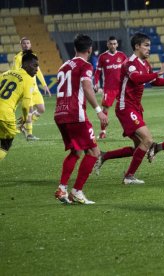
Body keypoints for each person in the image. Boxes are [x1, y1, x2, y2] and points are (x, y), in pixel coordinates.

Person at [93, 32, 164, 185]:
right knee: (148, 140)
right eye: (146, 45)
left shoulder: (145, 64)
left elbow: (154, 82)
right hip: (125, 107)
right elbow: (136, 79)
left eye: (150, 46)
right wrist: (158, 72)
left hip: (135, 108)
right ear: (137, 46)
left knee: (140, 147)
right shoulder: (129, 63)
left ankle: (104, 156)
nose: (149, 49)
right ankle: (129, 176)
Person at [54, 34, 108, 204]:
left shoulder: (63, 66)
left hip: (60, 114)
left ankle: (62, 189)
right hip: (75, 115)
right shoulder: (86, 65)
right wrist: (99, 110)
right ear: (90, 49)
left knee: (76, 151)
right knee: (94, 152)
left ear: (75, 48)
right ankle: (77, 191)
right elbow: (86, 86)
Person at [0, 51, 38, 160]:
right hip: (5, 114)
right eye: (34, 65)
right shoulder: (29, 80)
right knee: (5, 145)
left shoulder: (6, 73)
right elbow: (26, 105)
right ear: (25, 64)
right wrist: (26, 119)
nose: (36, 69)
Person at [12, 37, 51, 140]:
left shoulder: (34, 56)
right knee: (30, 110)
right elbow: (16, 72)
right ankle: (29, 134)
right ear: (21, 45)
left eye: (28, 43)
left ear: (30, 45)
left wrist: (44, 85)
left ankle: (24, 125)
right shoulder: (18, 57)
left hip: (35, 88)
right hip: (26, 87)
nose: (26, 45)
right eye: (24, 43)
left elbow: (38, 70)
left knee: (41, 109)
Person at [93, 36, 127, 139]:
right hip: (109, 89)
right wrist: (96, 83)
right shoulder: (103, 57)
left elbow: (128, 69)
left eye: (114, 43)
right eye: (110, 44)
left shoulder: (122, 56)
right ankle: (103, 131)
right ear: (107, 44)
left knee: (126, 109)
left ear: (117, 44)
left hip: (122, 88)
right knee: (105, 110)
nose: (112, 45)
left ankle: (128, 129)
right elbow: (97, 72)